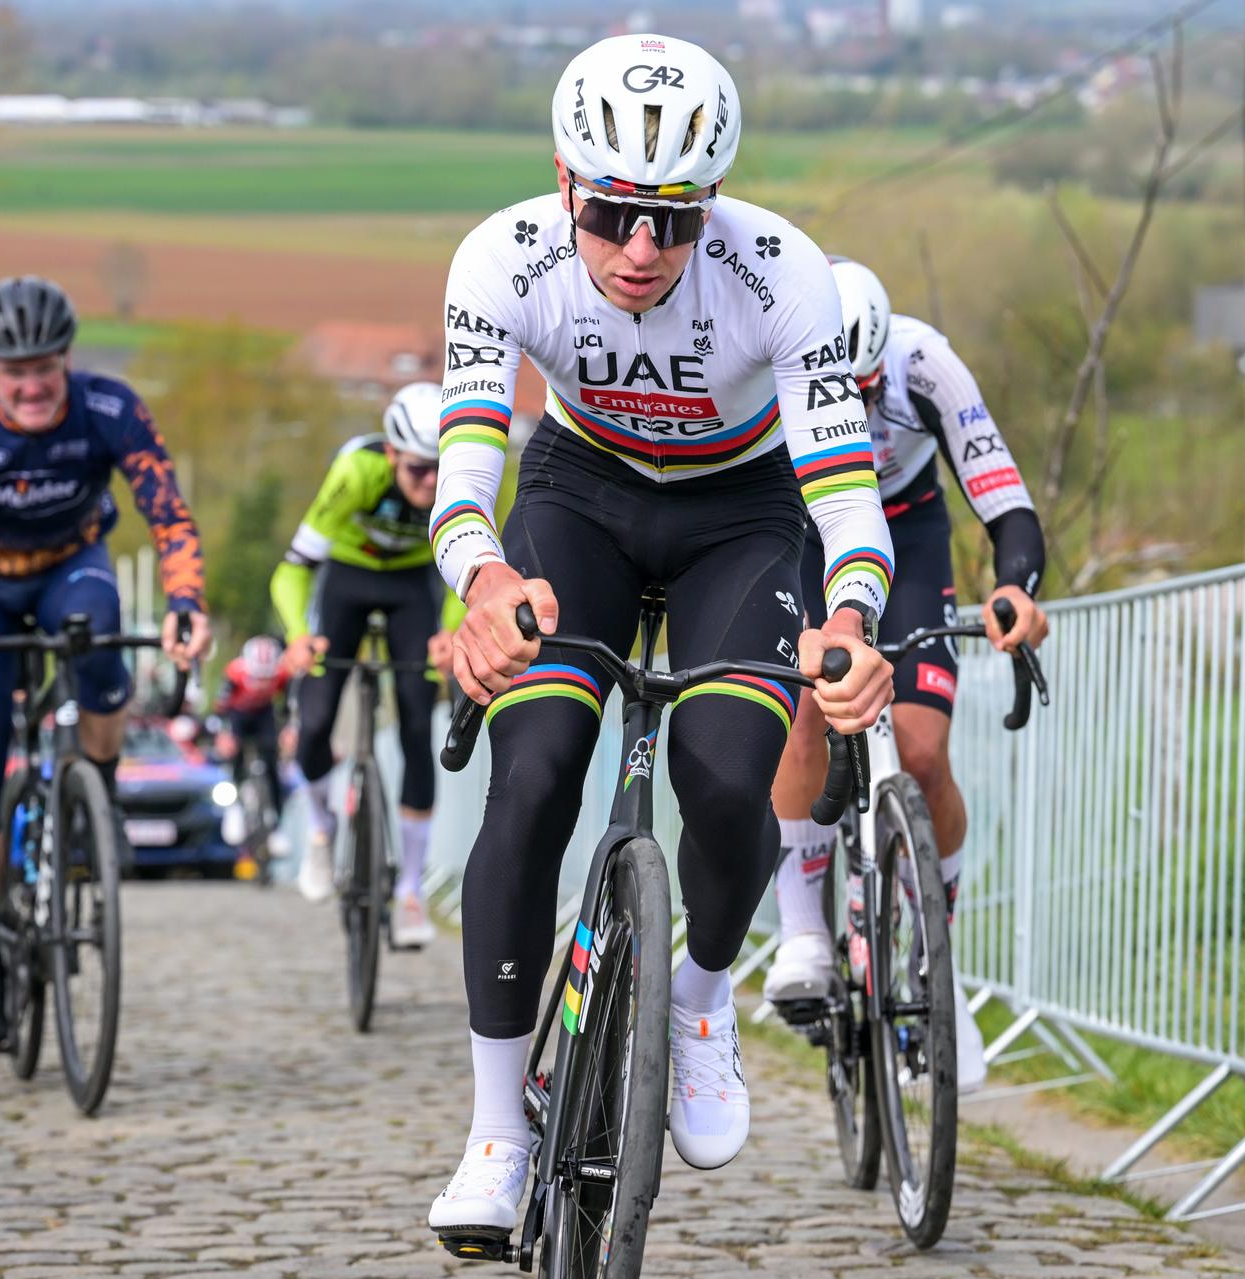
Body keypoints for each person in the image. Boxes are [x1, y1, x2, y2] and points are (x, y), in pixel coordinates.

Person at [424, 33, 896, 1242]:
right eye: (613, 214)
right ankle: (496, 1129)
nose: (641, 249)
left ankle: (697, 997)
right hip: (577, 498)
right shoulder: (503, 258)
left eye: (676, 220)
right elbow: (466, 470)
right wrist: (483, 579)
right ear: (565, 183)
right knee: (533, 774)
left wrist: (851, 621)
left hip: (742, 515)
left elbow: (846, 498)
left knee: (729, 777)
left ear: (714, 202)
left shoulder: (783, 274)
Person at [761, 258, 1049, 1093]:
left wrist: (1015, 589)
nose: (855, 410)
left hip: (908, 529)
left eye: (867, 389)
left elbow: (1006, 500)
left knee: (922, 753)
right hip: (806, 531)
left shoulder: (926, 364)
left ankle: (937, 963)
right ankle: (803, 932)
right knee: (806, 708)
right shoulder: (769, 363)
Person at [0, 274, 210, 1050]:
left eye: (45, 367)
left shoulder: (109, 407)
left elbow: (169, 517)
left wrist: (186, 602)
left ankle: (94, 794)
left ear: (66, 359)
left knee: (100, 639)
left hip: (71, 566)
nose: (33, 385)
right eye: (15, 372)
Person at [270, 381, 459, 947]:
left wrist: (450, 631)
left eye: (439, 469)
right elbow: (292, 569)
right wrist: (298, 635)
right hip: (347, 579)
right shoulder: (356, 472)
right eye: (418, 469)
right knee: (316, 718)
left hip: (414, 585)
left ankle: (410, 891)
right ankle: (321, 830)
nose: (431, 483)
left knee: (418, 725)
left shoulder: (461, 473)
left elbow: (470, 568)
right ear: (393, 454)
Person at [214, 632, 291, 868]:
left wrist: (289, 729)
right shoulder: (234, 673)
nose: (263, 683)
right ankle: (235, 808)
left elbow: (288, 706)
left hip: (264, 715)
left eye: (268, 678)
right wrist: (223, 734)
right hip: (238, 715)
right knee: (234, 757)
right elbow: (220, 707)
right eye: (258, 677)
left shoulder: (282, 673)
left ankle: (276, 825)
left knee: (272, 764)